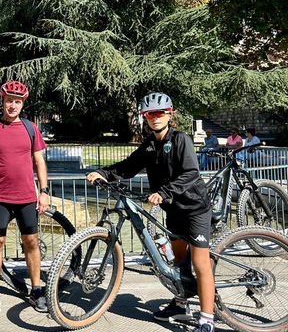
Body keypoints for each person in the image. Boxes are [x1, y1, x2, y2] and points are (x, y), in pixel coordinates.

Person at [86, 92, 216, 332]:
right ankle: (180, 305)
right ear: (145, 118)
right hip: (173, 210)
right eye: (149, 114)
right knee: (178, 261)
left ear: (169, 114)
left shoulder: (181, 139)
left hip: (194, 209)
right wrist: (103, 173)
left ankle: (207, 319)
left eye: (159, 113)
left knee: (200, 263)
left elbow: (191, 173)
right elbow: (128, 166)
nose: (155, 118)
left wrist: (164, 191)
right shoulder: (149, 144)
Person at [0, 80, 49, 315]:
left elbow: (39, 161)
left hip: (27, 196)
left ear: (22, 104)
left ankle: (36, 289)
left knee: (32, 243)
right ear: (3, 101)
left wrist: (44, 191)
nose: (13, 106)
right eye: (9, 101)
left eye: (17, 102)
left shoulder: (31, 128)